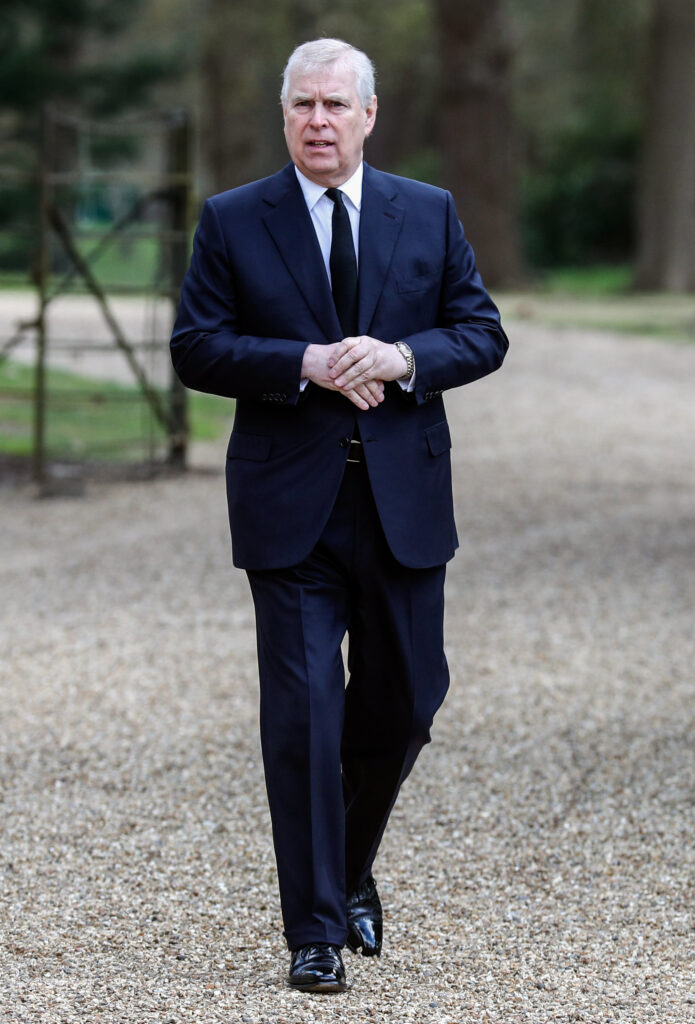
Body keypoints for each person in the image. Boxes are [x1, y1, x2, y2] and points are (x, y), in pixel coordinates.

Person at [171, 37, 508, 994]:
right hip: (289, 507)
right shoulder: (233, 220)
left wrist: (404, 359)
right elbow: (197, 347)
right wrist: (301, 362)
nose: (317, 121)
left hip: (404, 501)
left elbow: (480, 331)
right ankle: (314, 928)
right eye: (301, 106)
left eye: (334, 105)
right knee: (306, 713)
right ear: (284, 117)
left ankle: (350, 867)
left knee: (406, 704)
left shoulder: (427, 211)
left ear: (368, 116)